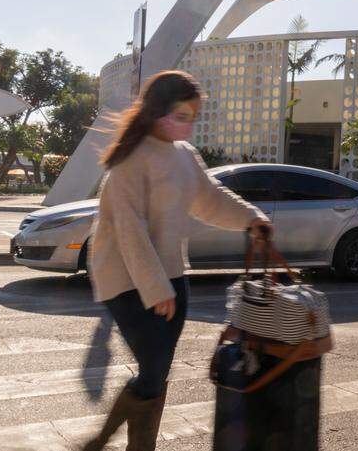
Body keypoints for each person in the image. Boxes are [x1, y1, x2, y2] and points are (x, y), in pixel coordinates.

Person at [82, 71, 273, 451]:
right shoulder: (129, 161)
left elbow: (210, 198)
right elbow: (129, 231)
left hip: (171, 275)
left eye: (192, 117)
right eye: (180, 115)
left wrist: (251, 219)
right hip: (124, 281)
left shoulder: (185, 156)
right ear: (156, 111)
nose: (187, 124)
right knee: (153, 370)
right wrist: (154, 289)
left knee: (157, 371)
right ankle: (104, 441)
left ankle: (121, 445)